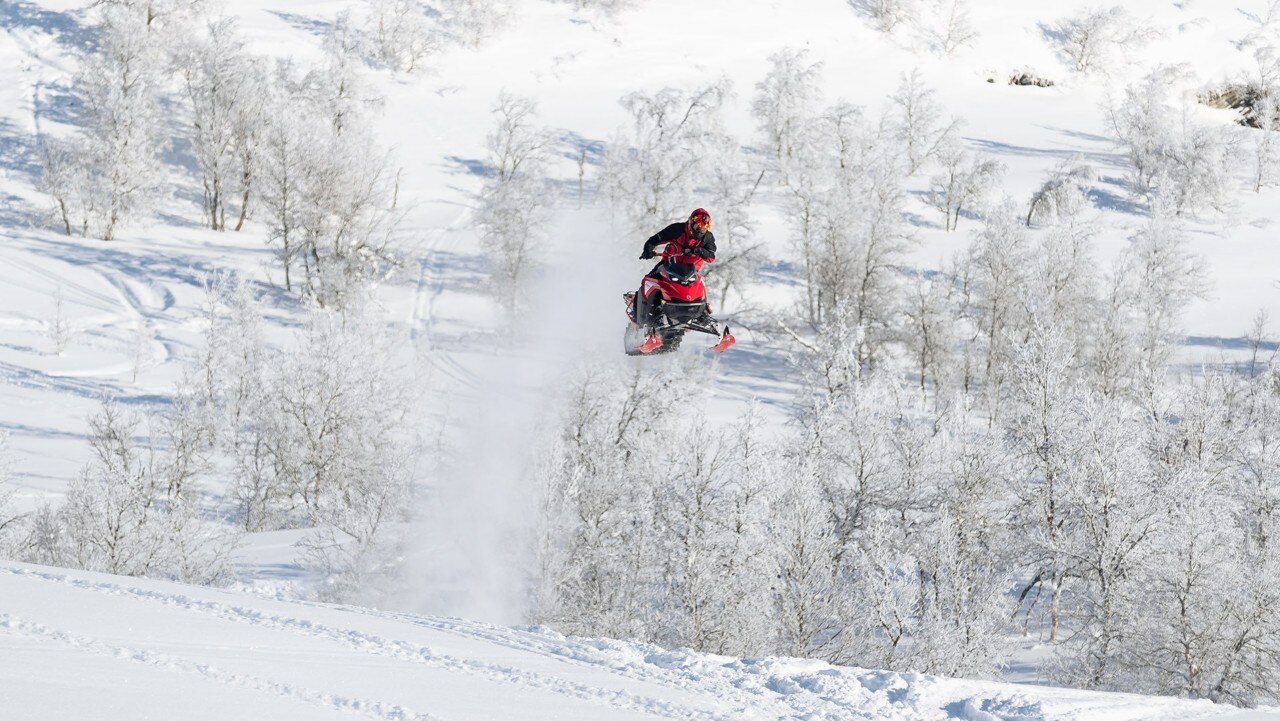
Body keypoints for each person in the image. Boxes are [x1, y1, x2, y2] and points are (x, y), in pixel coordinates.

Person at [634, 208, 716, 329]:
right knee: (647, 281)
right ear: (691, 222)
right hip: (668, 265)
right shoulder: (677, 229)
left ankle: (703, 313)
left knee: (700, 284)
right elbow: (655, 239)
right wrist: (648, 250)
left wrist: (697, 250)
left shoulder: (707, 237)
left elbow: (711, 257)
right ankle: (641, 316)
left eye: (704, 226)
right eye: (698, 225)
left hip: (690, 270)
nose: (701, 229)